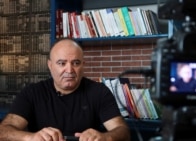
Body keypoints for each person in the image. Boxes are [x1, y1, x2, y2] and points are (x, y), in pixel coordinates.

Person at [0, 38, 131, 141]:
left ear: (83, 65)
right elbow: (3, 131)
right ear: (50, 65)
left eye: (76, 63)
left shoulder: (99, 92)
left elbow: (123, 132)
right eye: (62, 63)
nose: (69, 70)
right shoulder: (32, 93)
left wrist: (105, 137)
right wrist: (31, 137)